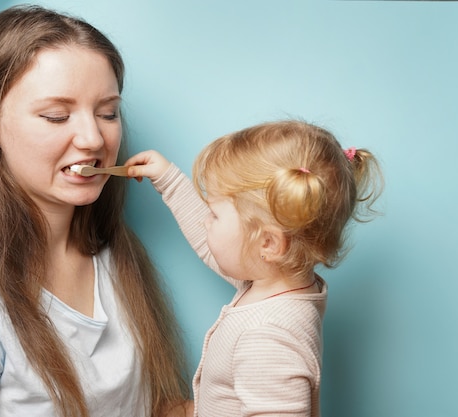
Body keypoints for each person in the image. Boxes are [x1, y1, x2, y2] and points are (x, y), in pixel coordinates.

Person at [0, 5, 192, 417]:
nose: (93, 138)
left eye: (108, 113)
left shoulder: (114, 251)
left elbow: (147, 409)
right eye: (56, 116)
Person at [126, 120, 384, 416]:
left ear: (269, 244)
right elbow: (210, 244)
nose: (205, 222)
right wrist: (168, 180)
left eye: (214, 214)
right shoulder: (276, 283)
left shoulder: (268, 335)